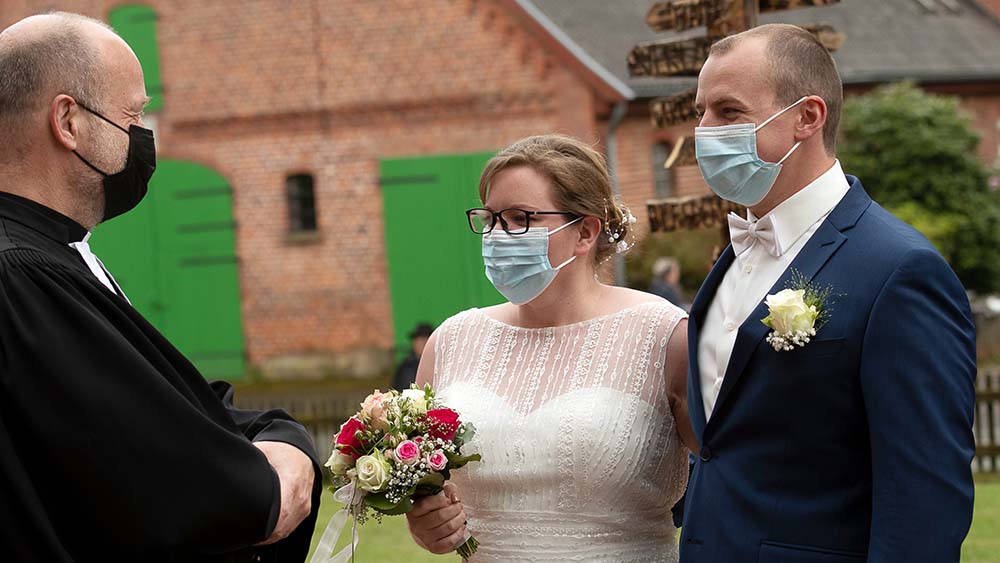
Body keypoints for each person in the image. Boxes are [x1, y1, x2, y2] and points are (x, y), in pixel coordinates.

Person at [0, 13, 321, 561]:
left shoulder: (50, 254)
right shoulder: (25, 275)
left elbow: (167, 403)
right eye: (132, 116)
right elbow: (183, 486)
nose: (143, 138)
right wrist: (282, 464)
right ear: (68, 122)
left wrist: (279, 432)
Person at [682, 24, 976, 562]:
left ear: (807, 117)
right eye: (700, 112)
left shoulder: (899, 270)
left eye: (728, 112)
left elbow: (924, 500)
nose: (704, 132)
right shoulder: (734, 256)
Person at [404, 134, 697, 562]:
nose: (498, 235)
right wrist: (426, 522)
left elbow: (729, 478)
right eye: (490, 219)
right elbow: (426, 490)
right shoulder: (451, 341)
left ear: (585, 232)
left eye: (519, 218)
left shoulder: (664, 335)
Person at [392, 322, 434, 391]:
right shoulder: (405, 366)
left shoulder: (437, 365)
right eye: (419, 340)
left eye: (424, 340)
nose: (421, 344)